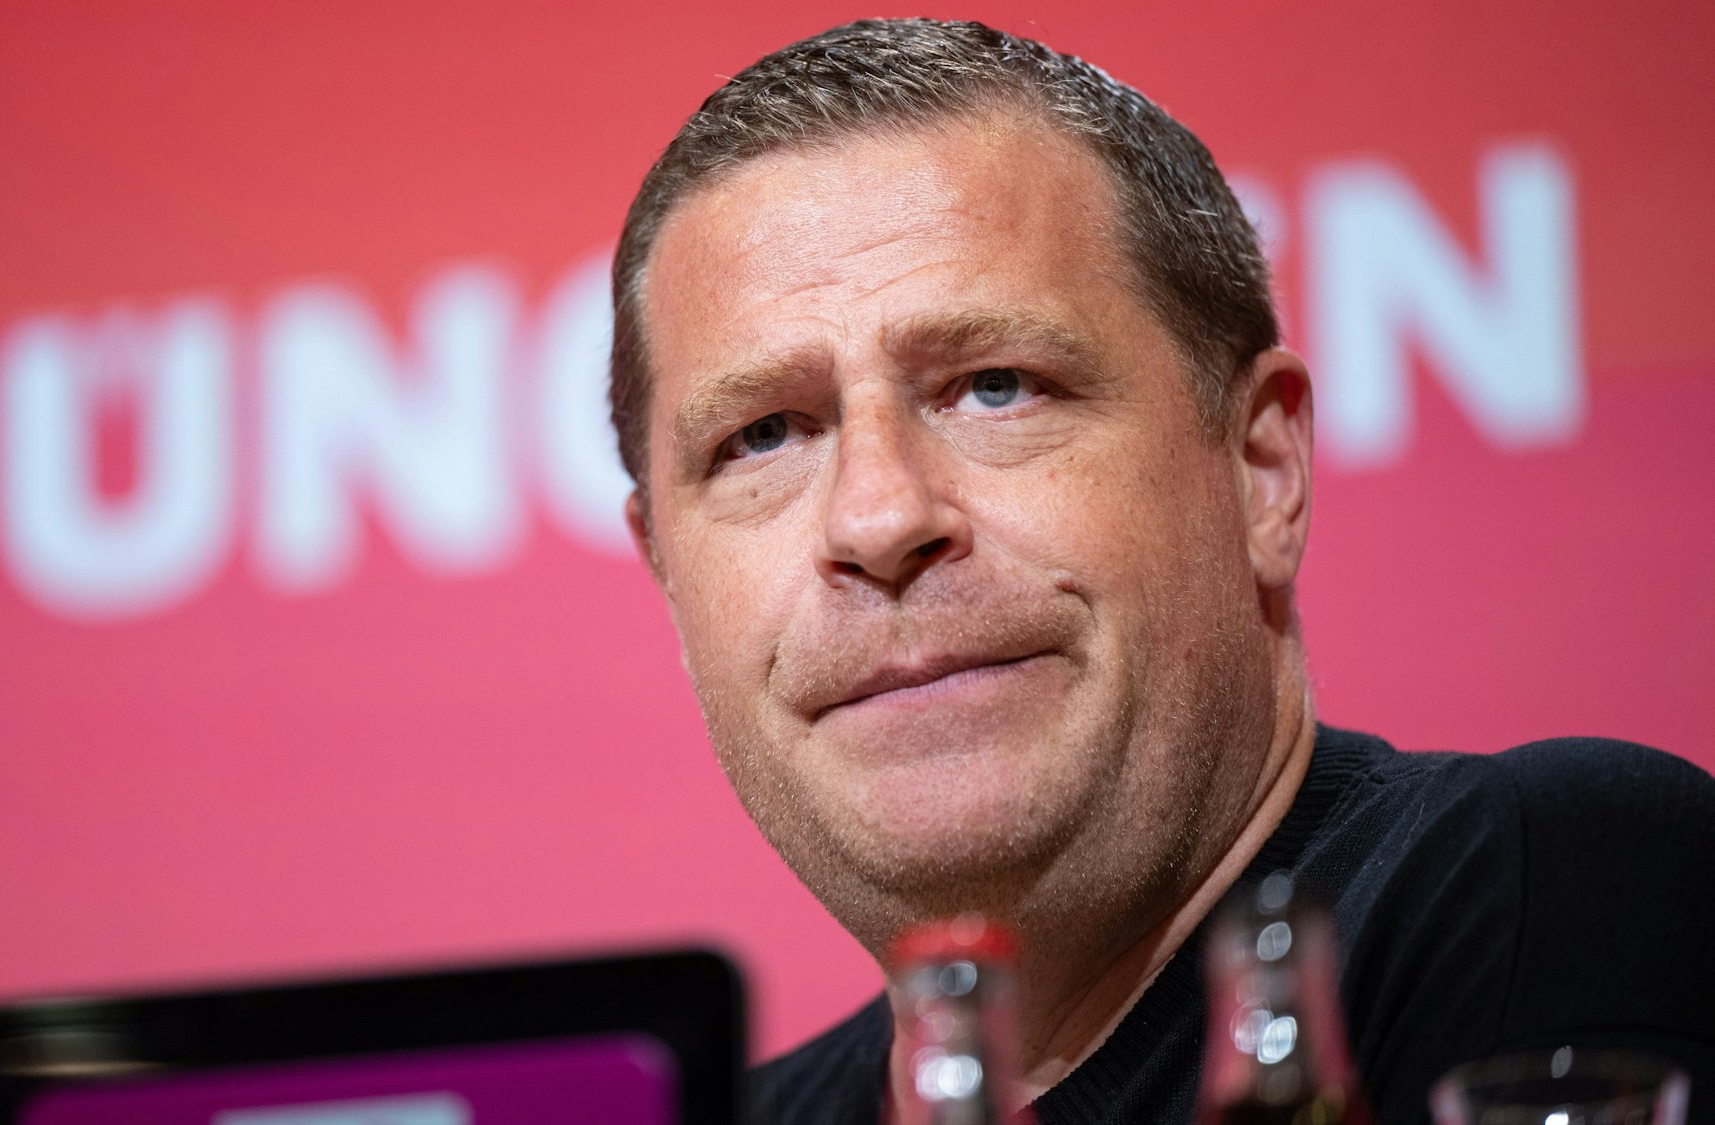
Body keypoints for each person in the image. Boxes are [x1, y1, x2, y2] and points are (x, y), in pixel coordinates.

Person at [605, 18, 1715, 1125]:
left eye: (995, 385)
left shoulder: (1544, 886)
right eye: (759, 437)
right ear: (665, 573)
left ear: (1258, 471)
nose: (881, 516)